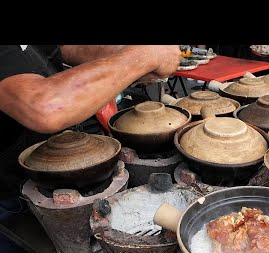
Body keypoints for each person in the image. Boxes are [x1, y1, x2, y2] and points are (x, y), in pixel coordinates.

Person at [0, 45, 182, 219]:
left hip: (74, 161)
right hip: (17, 193)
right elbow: (44, 107)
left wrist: (125, 52)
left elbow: (66, 49)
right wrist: (142, 57)